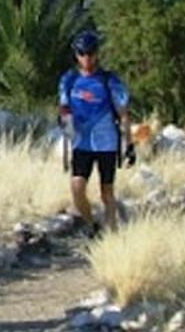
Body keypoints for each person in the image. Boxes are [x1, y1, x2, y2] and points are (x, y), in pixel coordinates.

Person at [57, 30, 133, 235]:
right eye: (82, 53)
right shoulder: (69, 80)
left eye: (90, 53)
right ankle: (92, 224)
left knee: (107, 192)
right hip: (81, 143)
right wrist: (67, 135)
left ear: (97, 53)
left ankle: (112, 235)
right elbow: (64, 111)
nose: (86, 58)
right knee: (77, 188)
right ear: (76, 55)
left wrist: (129, 144)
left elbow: (124, 114)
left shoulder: (110, 80)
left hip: (106, 143)